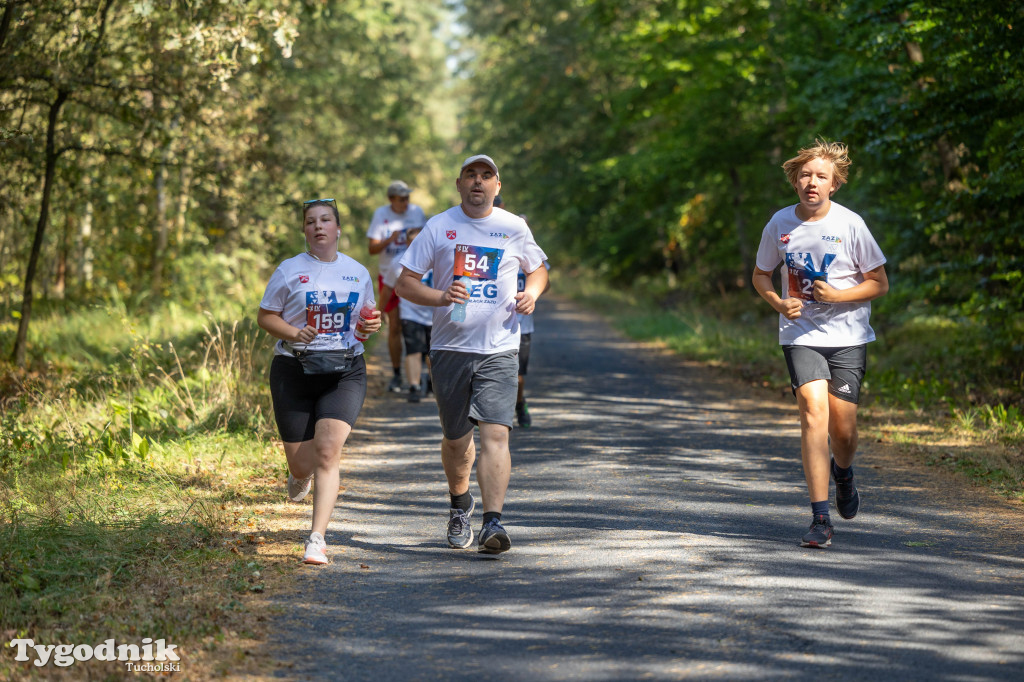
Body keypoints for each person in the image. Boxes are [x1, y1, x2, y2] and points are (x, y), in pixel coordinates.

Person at [395, 155, 548, 554]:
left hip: (500, 346)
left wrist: (531, 293)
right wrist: (441, 296)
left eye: (486, 176)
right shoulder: (439, 227)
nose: (478, 182)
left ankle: (492, 523)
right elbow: (405, 284)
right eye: (471, 176)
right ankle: (460, 503)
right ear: (459, 184)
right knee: (456, 439)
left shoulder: (514, 226)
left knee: (496, 432)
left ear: (498, 186)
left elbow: (539, 269)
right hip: (449, 348)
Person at [751, 139, 889, 549]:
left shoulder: (851, 224)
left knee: (843, 431)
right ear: (795, 181)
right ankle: (819, 517)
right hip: (801, 335)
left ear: (834, 185)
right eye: (805, 175)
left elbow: (879, 283)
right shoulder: (779, 224)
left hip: (848, 336)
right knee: (813, 413)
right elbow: (761, 275)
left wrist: (839, 297)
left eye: (821, 177)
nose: (812, 182)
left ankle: (843, 474)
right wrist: (778, 301)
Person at [257, 198, 382, 564]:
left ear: (338, 228)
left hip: (344, 370)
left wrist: (369, 326)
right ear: (305, 231)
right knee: (300, 465)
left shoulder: (357, 272)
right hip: (293, 369)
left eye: (326, 219)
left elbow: (366, 321)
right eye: (311, 221)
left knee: (328, 450)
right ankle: (300, 474)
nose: (319, 226)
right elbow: (266, 317)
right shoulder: (288, 270)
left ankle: (316, 539)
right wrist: (295, 332)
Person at [493, 195, 549, 427]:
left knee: (517, 375)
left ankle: (519, 403)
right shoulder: (497, 248)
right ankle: (495, 414)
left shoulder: (531, 253)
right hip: (496, 324)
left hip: (523, 325)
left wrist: (531, 295)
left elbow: (545, 279)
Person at [367, 180, 427, 393]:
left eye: (407, 197)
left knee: (418, 321)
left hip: (416, 271)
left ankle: (420, 373)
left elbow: (427, 239)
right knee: (396, 326)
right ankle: (396, 373)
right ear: (391, 199)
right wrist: (389, 240)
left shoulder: (417, 212)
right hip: (390, 274)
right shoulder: (381, 215)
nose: (406, 202)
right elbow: (372, 249)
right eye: (401, 199)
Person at [382, 225, 433, 403]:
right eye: (411, 243)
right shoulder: (397, 262)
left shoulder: (438, 257)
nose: (415, 246)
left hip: (435, 314)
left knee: (433, 353)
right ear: (406, 243)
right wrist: (380, 310)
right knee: (413, 350)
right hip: (410, 314)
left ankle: (432, 382)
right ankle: (414, 386)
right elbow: (388, 289)